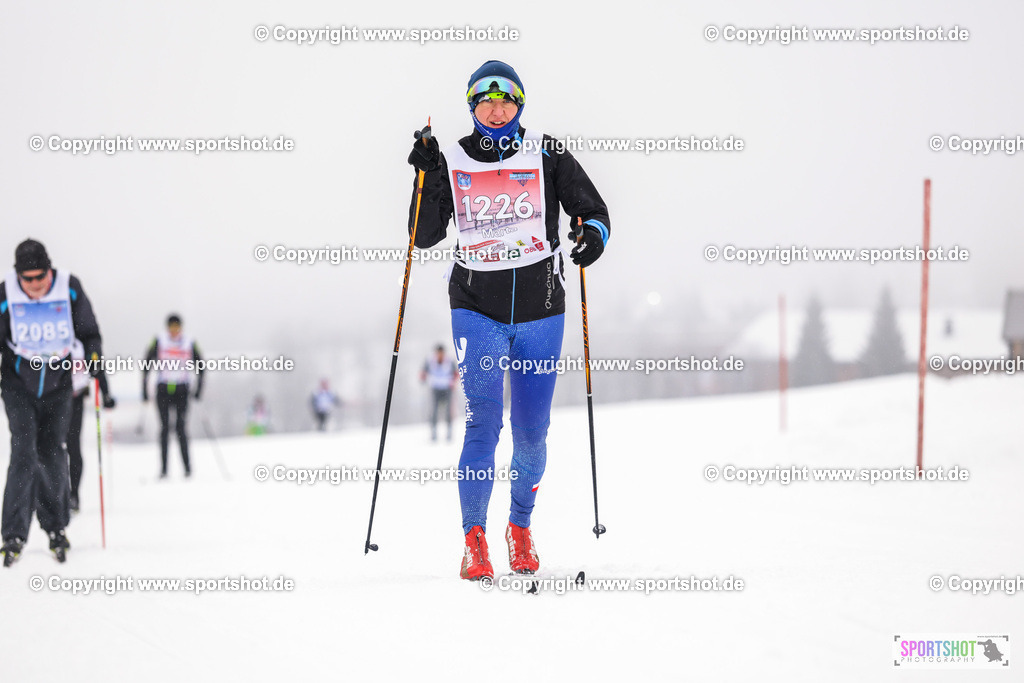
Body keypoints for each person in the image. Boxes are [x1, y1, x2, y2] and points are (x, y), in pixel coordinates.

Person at [407, 61, 611, 580]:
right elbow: (425, 235)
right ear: (472, 106)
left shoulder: (547, 151)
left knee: (531, 435)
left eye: (506, 101)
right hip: (477, 307)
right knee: (482, 422)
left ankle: (519, 528)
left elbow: (592, 210)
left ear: (519, 104)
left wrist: (592, 237)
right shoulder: (449, 158)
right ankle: (474, 539)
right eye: (485, 101)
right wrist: (426, 176)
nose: (496, 110)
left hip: (542, 308)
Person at [0, 239, 110, 566]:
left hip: (58, 385)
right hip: (18, 384)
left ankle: (56, 528)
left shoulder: (69, 287)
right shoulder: (6, 293)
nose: (34, 285)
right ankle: (13, 534)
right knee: (23, 452)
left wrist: (95, 360)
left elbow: (89, 331)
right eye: (27, 278)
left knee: (51, 453)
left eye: (40, 277)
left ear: (50, 270)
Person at [142, 314, 203, 478]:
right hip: (163, 389)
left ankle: (187, 468)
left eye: (177, 326)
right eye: (172, 326)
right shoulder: (159, 340)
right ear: (167, 327)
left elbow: (200, 364)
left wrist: (199, 389)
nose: (174, 330)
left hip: (182, 389)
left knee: (181, 428)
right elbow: (147, 362)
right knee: (164, 429)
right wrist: (144, 388)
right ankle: (163, 469)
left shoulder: (189, 341)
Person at [66, 339, 116, 513]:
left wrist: (106, 394)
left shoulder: (82, 338)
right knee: (51, 447)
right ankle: (53, 495)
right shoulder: (52, 331)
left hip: (75, 398)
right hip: (51, 399)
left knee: (73, 445)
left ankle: (73, 494)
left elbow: (97, 366)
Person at [420, 344, 458, 442]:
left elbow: (455, 373)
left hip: (447, 388)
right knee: (434, 411)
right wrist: (423, 378)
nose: (440, 355)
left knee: (448, 411)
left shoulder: (449, 360)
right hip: (435, 388)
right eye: (438, 353)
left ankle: (449, 433)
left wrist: (453, 383)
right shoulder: (430, 360)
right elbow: (424, 371)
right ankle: (433, 434)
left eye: (441, 353)